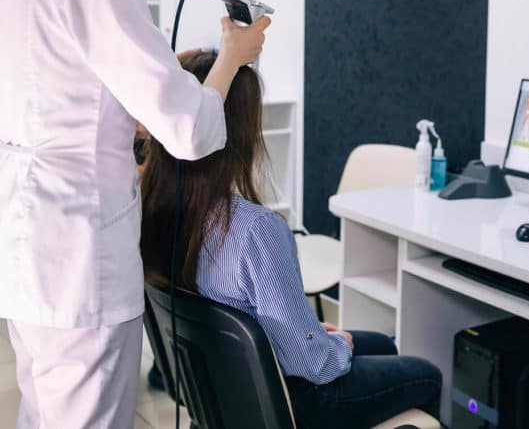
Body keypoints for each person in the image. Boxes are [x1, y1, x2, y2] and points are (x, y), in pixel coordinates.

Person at [0, 0, 270, 428]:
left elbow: (60, 94)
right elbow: (190, 131)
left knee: (43, 411)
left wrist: (151, 81)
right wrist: (232, 58)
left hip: (19, 242)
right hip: (76, 252)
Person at [140, 52, 442, 429]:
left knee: (382, 345)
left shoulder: (152, 211)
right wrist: (333, 345)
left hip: (227, 393)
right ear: (239, 133)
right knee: (426, 374)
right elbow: (311, 364)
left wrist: (315, 335)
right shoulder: (256, 229)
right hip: (293, 403)